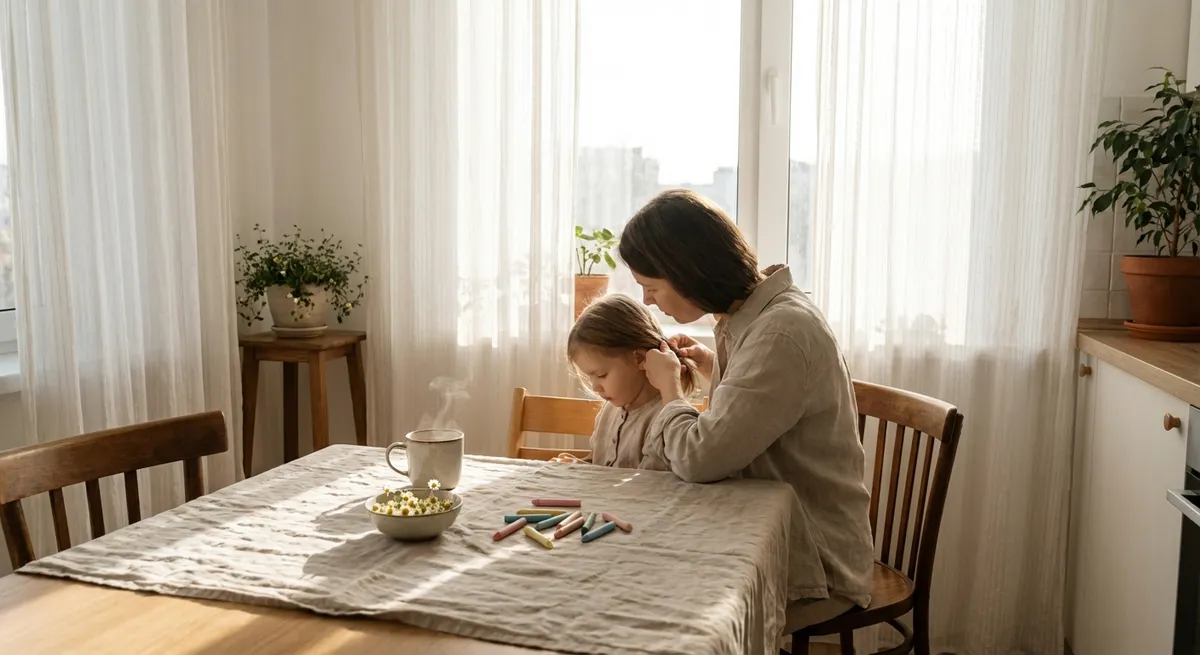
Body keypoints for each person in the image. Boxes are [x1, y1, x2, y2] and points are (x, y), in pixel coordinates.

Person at [620, 188, 875, 630]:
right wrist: (711, 365)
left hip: (816, 562)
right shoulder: (755, 316)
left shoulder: (780, 333)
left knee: (647, 593)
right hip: (774, 529)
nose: (647, 301)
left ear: (687, 272)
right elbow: (756, 407)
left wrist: (669, 392)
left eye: (651, 287)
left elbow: (700, 458)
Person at [561, 293, 699, 470]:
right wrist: (577, 465)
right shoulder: (610, 409)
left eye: (602, 375)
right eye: (590, 377)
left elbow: (645, 485)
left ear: (639, 358)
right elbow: (599, 465)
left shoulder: (666, 420)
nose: (595, 387)